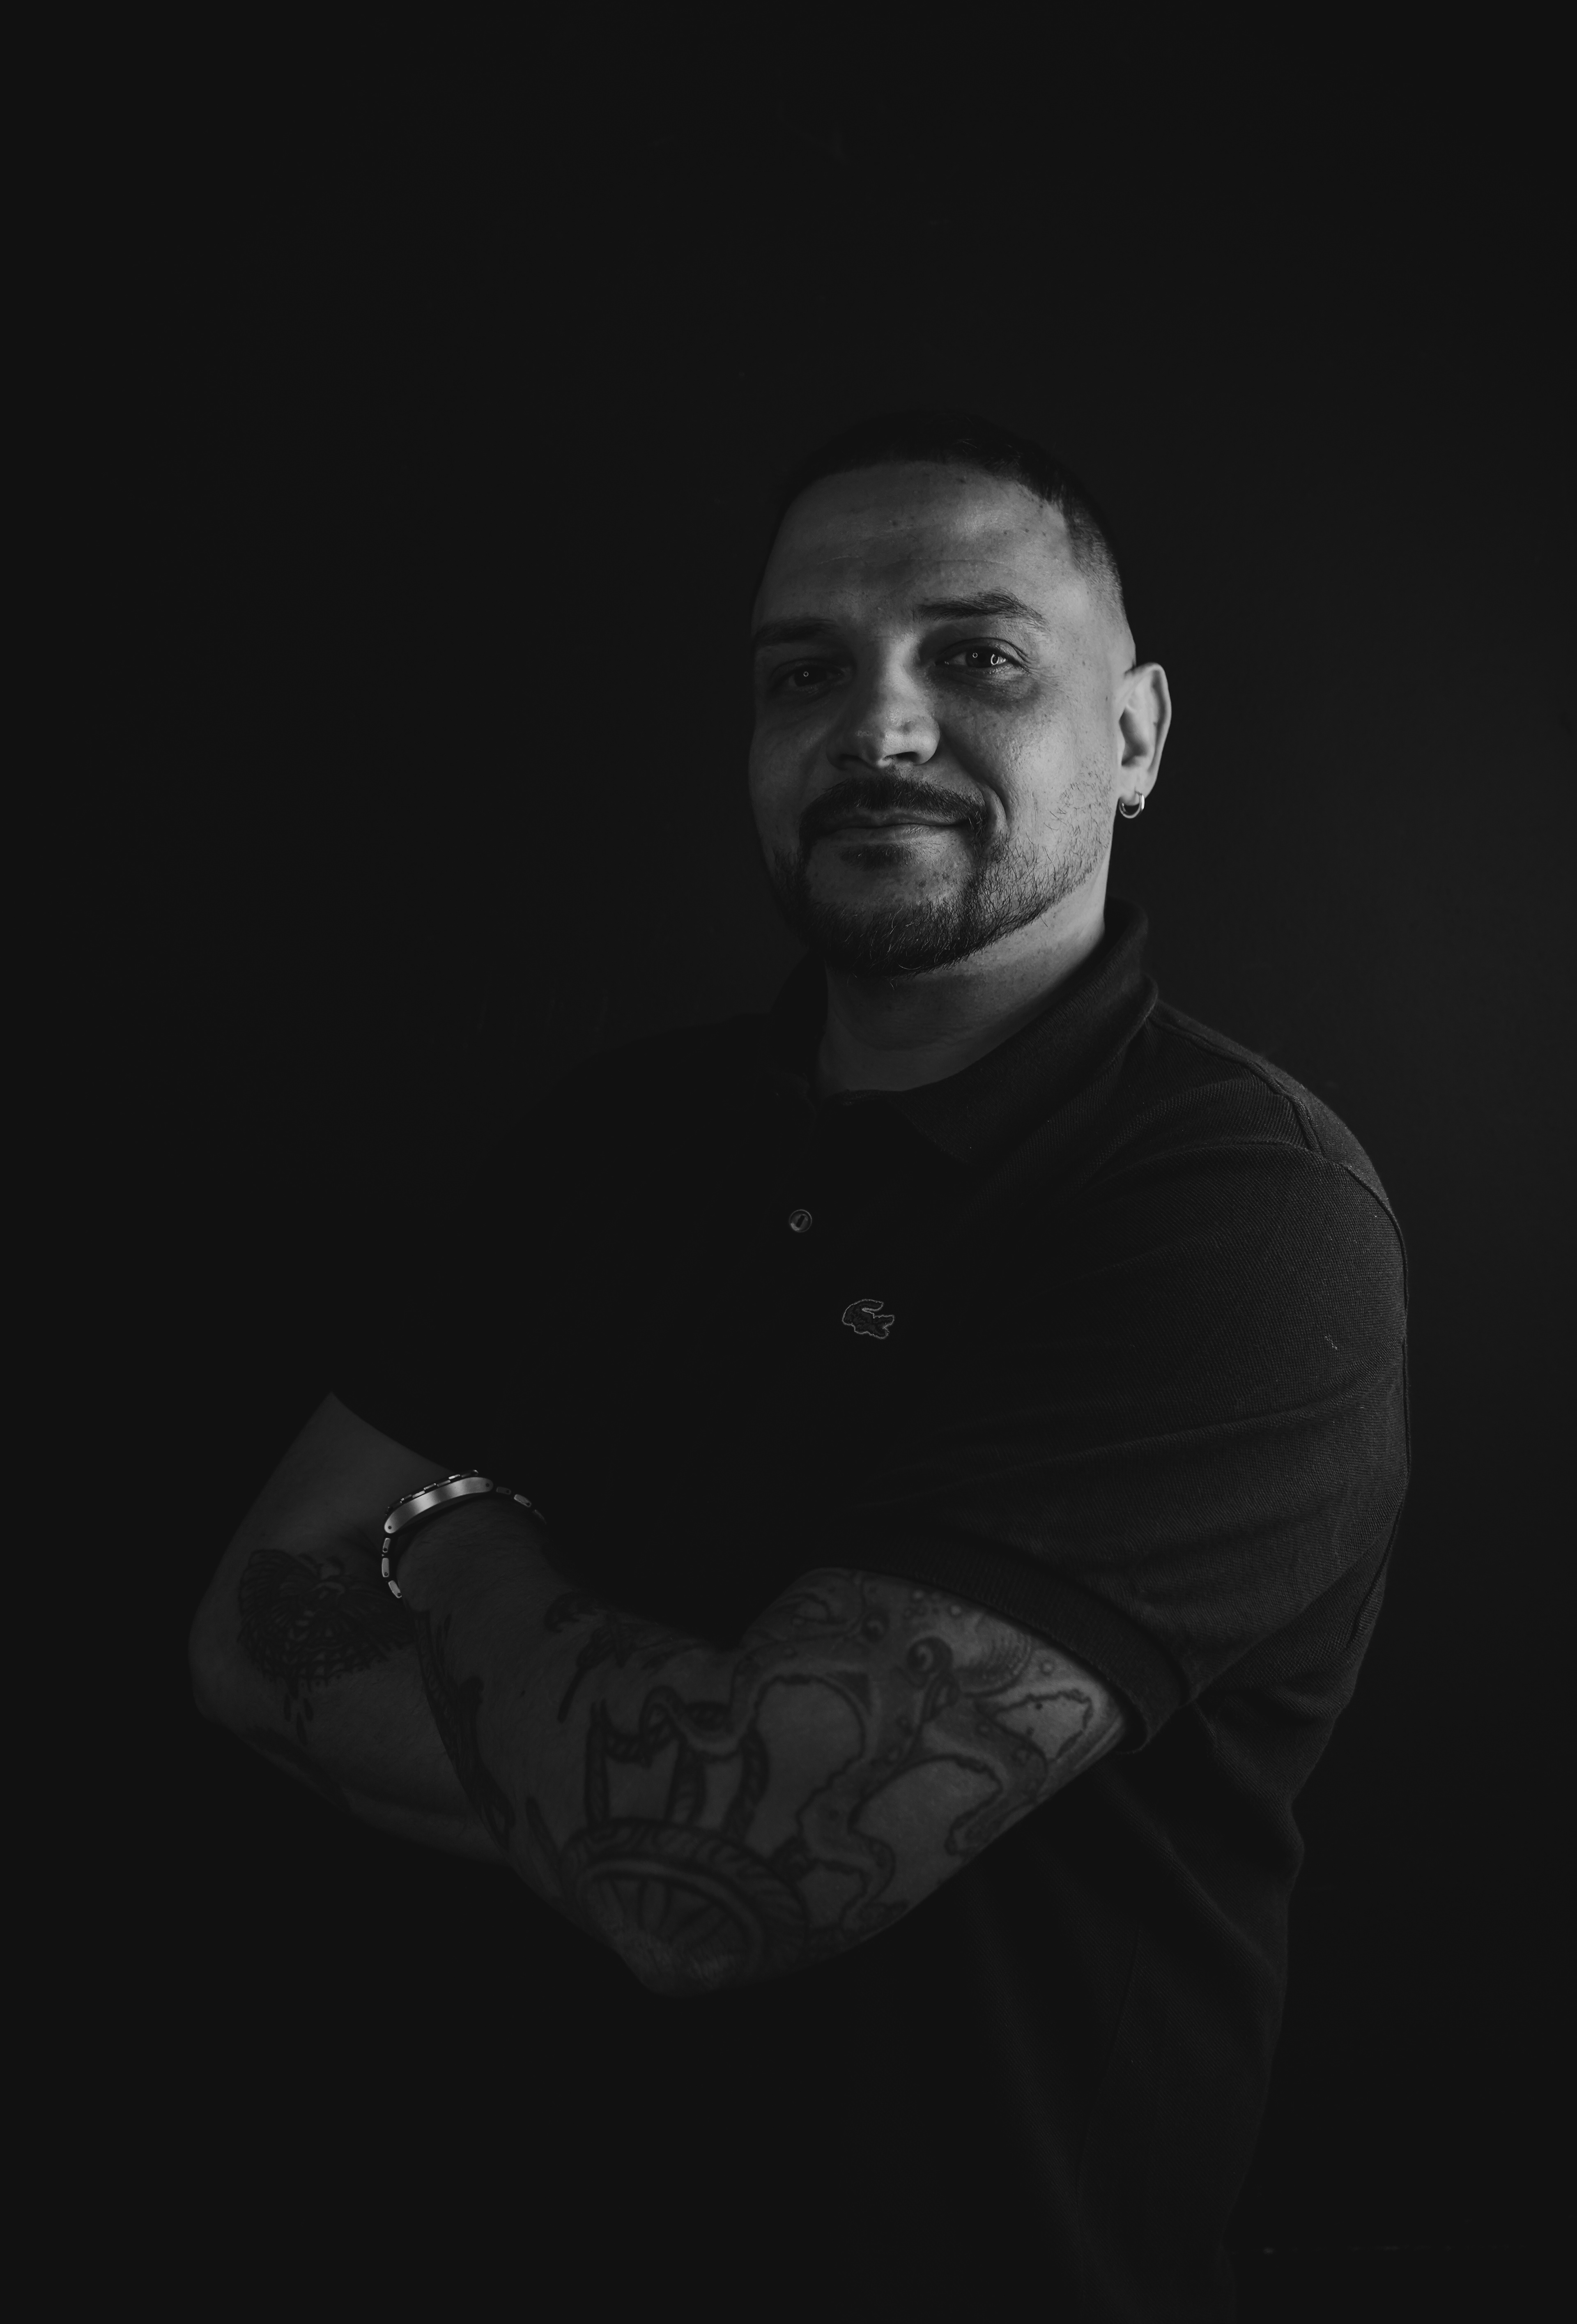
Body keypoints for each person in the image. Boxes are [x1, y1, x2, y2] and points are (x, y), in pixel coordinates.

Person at [189, 409, 1411, 2319]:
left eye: (977, 656)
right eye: (804, 673)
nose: (879, 726)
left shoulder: (1245, 1220)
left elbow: (720, 1868)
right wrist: (626, 1792)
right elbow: (245, 1630)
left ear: (1135, 737)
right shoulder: (617, 1141)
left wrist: (441, 1538)